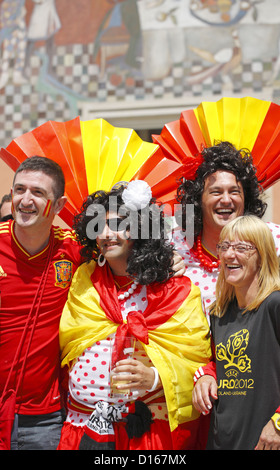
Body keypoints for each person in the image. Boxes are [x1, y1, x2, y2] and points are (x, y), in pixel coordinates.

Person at [57, 180, 211, 450]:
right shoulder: (83, 278)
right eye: (99, 226)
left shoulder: (170, 287)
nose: (106, 234)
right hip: (81, 428)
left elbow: (196, 359)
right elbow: (68, 345)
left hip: (144, 435)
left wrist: (154, 377)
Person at [0, 156, 82, 450]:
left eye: (37, 192)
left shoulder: (73, 249)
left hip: (45, 418)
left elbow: (125, 261)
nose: (25, 200)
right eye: (19, 190)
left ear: (58, 205)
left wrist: (170, 261)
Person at [192, 215, 280, 450]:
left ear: (262, 257)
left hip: (266, 442)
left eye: (242, 247)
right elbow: (217, 361)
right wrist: (207, 375)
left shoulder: (275, 304)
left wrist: (278, 423)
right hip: (222, 441)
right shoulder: (219, 314)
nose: (230, 254)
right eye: (225, 246)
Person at [172, 141, 280, 319]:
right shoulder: (174, 244)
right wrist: (160, 268)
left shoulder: (273, 238)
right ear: (199, 200)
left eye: (234, 191)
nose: (226, 200)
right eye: (216, 192)